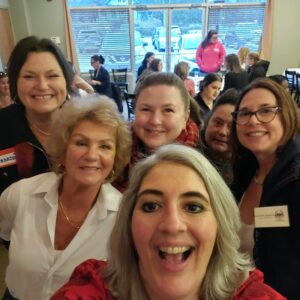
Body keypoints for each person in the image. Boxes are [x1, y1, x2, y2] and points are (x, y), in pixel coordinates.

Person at [51, 144, 285, 300]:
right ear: (129, 224)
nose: (172, 225)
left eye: (193, 207)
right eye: (151, 206)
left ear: (219, 225)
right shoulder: (89, 290)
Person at [0, 95, 132, 300]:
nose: (91, 155)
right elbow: (5, 233)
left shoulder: (124, 218)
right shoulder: (20, 194)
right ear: (63, 147)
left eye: (105, 146)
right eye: (81, 142)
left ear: (116, 156)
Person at [231, 78, 300, 299]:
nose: (253, 121)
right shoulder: (244, 171)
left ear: (286, 116)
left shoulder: (296, 178)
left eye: (266, 111)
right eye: (244, 113)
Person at [0, 36, 74, 195]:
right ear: (15, 82)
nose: (42, 85)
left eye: (52, 76)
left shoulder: (85, 124)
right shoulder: (3, 126)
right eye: (29, 76)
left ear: (66, 81)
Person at [114, 72, 199, 191]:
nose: (155, 121)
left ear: (185, 117)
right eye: (146, 109)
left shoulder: (202, 163)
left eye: (168, 110)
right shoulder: (114, 149)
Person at [200, 89, 239, 185]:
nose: (223, 132)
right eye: (218, 123)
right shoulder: (188, 157)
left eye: (232, 127)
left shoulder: (248, 169)